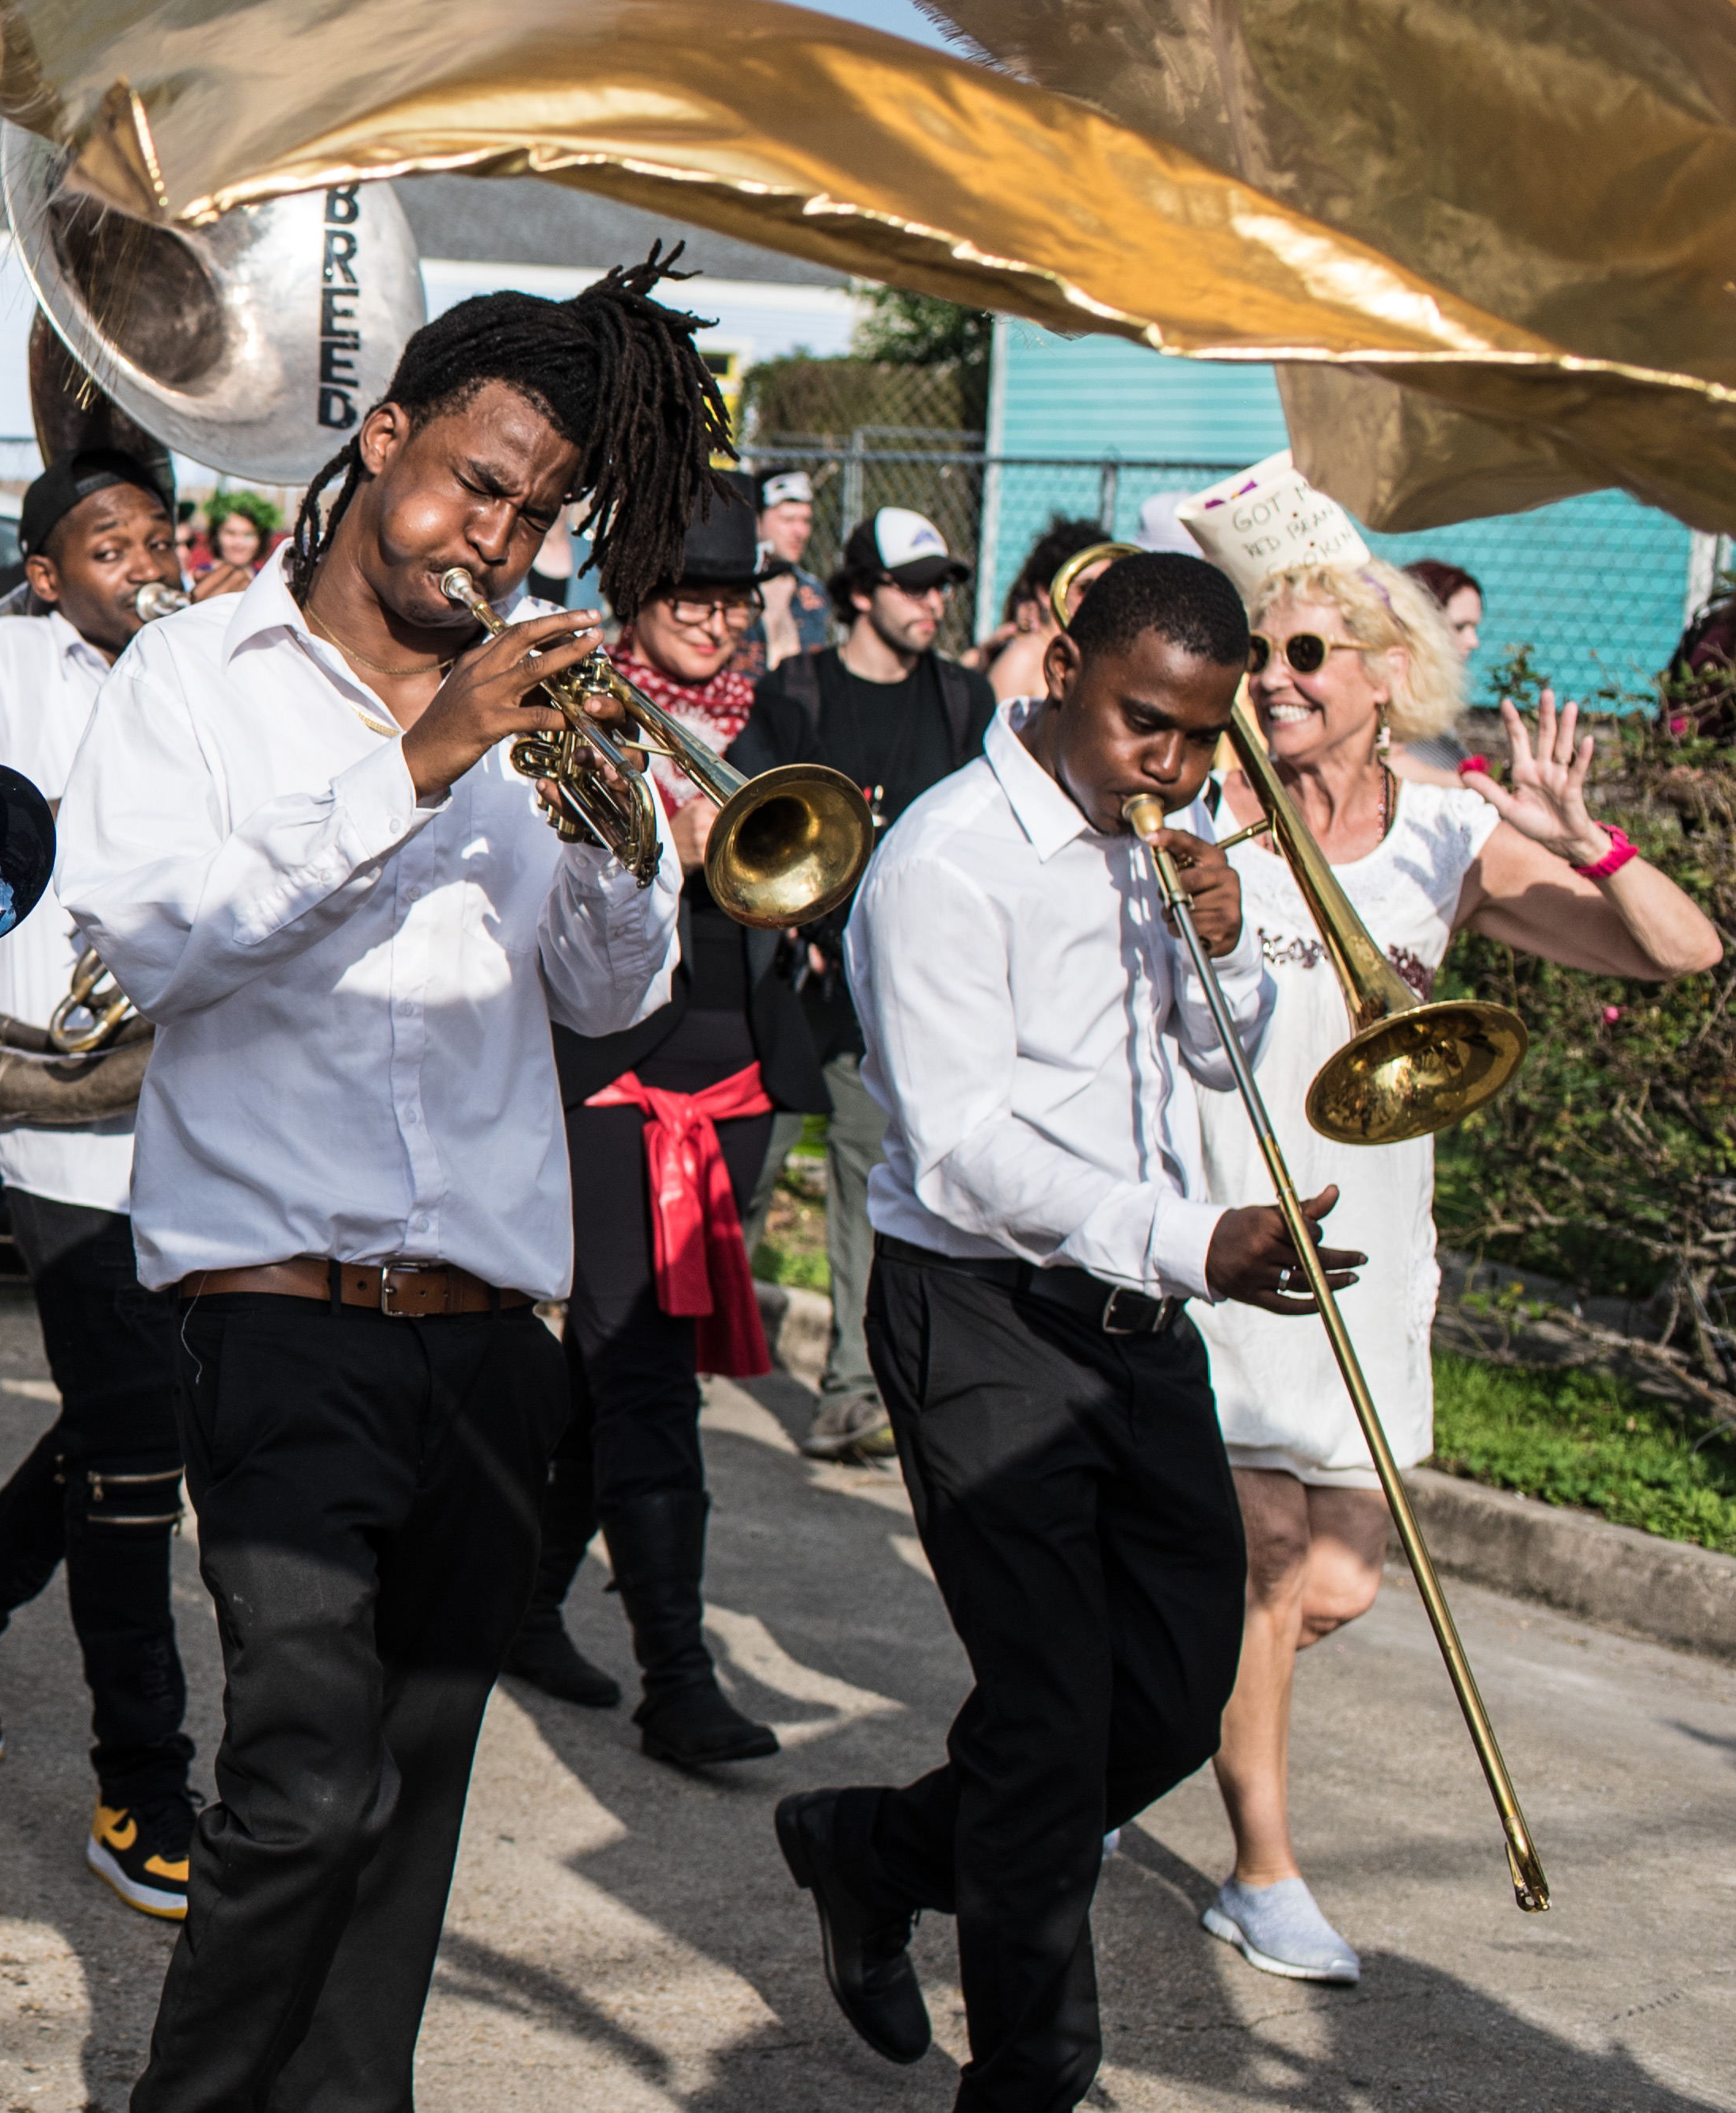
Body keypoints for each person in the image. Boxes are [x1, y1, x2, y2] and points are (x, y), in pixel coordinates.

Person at [63, 265, 713, 2109]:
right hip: (279, 1321)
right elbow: (165, 949)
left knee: (411, 1807)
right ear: (382, 442)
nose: (491, 538)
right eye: (471, 484)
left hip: (491, 1339)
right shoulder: (195, 677)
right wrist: (423, 761)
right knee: (299, 1780)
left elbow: (611, 996)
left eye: (532, 514)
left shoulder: (535, 707)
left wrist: (609, 829)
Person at [784, 549, 1346, 2110]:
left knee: (1164, 1693)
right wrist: (1195, 1237)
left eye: (1198, 734)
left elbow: (1214, 1069)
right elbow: (960, 1145)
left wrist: (1223, 947)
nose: (1168, 761)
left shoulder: (1147, 843)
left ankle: (871, 1848)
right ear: (1061, 671)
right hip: (980, 1313)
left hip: (1134, 1315)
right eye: (1141, 720)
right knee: (1045, 1722)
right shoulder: (949, 859)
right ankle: (1034, 2077)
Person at [1170, 500, 1715, 1985]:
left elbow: (1682, 951)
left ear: (1386, 673)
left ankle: (1116, 1715)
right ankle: (1262, 1873)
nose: (1272, 676)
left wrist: (1587, 840)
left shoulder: (1450, 833)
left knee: (1331, 1583)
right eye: (1256, 653)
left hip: (1379, 1253)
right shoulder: (1206, 808)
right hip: (1229, 1229)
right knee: (1265, 1558)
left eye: (1302, 651)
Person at [0, 448, 201, 1921]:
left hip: (194, 1096)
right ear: (47, 570)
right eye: (107, 542)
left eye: (156, 534)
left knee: (131, 1418)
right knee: (139, 1447)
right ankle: (144, 1784)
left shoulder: (205, 666)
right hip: (62, 1102)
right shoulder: (3, 659)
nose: (143, 559)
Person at [504, 475, 824, 1766]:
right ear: (633, 597)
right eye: (688, 592)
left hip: (739, 1082)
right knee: (637, 1366)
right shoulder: (583, 717)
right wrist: (657, 846)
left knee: (621, 1372)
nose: (713, 616)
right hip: (611, 1077)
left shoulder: (777, 715)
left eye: (730, 595)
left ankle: (524, 1600)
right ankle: (676, 1675)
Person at [728, 504, 994, 1466]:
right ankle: (676, 1343)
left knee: (858, 1168)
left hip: (895, 996)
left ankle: (849, 1391)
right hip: (796, 982)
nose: (931, 604)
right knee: (744, 1177)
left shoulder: (962, 702)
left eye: (940, 588)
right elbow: (746, 818)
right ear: (858, 592)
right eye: (912, 585)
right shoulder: (798, 690)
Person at [983, 514, 1112, 702]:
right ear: (1045, 593)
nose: (1099, 598)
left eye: (1107, 586)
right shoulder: (1023, 659)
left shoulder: (1099, 658)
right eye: (1085, 588)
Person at [751, 470, 833, 666]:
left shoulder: (814, 594)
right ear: (757, 521)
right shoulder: (730, 592)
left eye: (806, 520)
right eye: (788, 519)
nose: (801, 532)